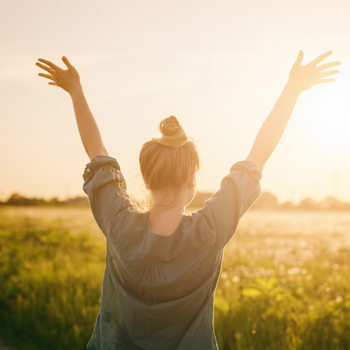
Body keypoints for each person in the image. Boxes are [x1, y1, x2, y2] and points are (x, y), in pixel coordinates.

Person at [36, 51, 340, 350]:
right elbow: (258, 155)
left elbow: (96, 152)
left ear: (146, 178)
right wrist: (293, 88)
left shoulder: (118, 223)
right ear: (192, 180)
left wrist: (75, 90)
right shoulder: (209, 230)